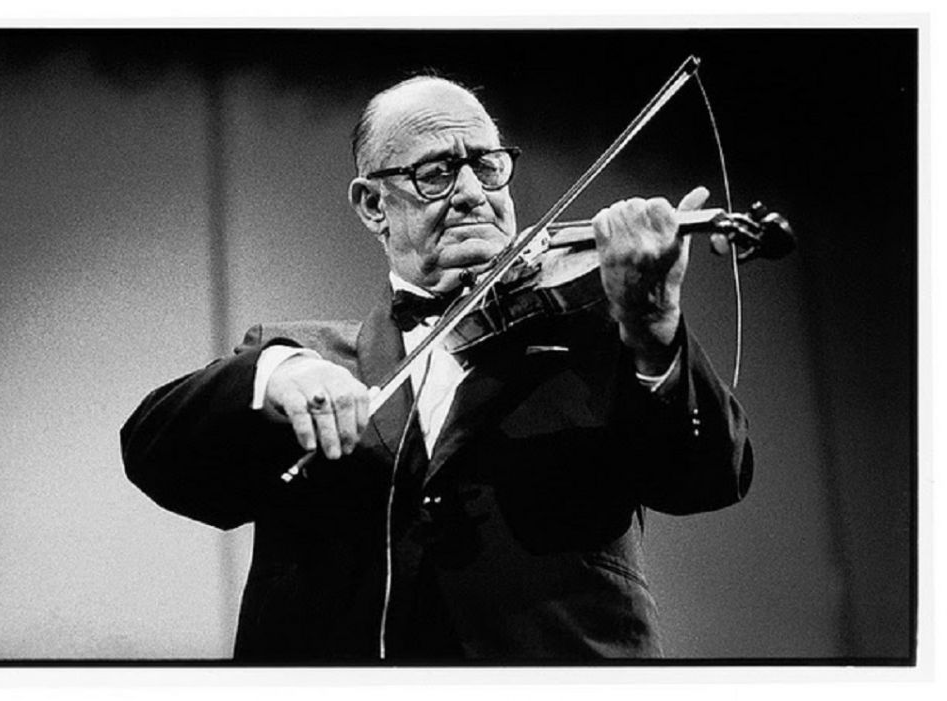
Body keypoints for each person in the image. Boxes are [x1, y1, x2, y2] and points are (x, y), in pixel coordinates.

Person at [121, 75, 753, 662]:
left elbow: (710, 478)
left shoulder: (603, 342)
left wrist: (653, 326)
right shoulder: (301, 356)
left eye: (488, 165)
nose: (473, 192)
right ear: (373, 204)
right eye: (437, 172)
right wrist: (278, 373)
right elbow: (154, 451)